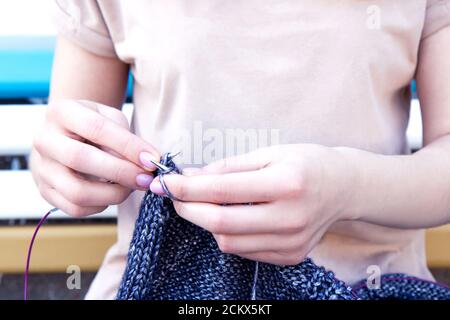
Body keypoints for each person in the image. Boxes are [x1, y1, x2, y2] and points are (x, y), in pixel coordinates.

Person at [30, 0, 450, 299]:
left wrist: (347, 188)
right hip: (158, 282)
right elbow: (70, 139)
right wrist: (65, 162)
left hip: (364, 284)